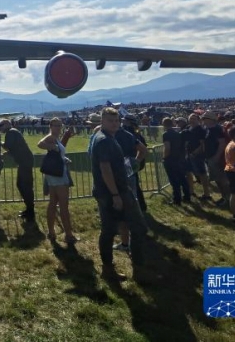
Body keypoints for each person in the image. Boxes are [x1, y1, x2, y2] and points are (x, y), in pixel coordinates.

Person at [90, 108, 149, 282]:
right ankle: (129, 269)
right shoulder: (103, 141)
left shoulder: (108, 137)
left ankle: (117, 269)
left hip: (116, 190)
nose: (114, 124)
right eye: (110, 121)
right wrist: (116, 194)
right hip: (113, 193)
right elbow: (105, 169)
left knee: (112, 230)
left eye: (116, 121)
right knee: (133, 228)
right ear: (102, 121)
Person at [38, 118, 77, 245]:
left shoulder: (56, 138)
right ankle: (69, 235)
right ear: (50, 126)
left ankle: (51, 232)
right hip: (58, 175)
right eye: (56, 125)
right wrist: (52, 147)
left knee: (53, 203)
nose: (58, 128)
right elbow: (40, 144)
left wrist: (64, 157)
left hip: (55, 174)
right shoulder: (50, 137)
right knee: (64, 205)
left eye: (60, 125)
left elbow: (59, 151)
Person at [0, 119, 35, 221]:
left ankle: (30, 211)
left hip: (25, 162)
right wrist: (7, 154)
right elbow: (14, 149)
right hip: (25, 161)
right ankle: (29, 209)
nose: (0, 127)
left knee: (24, 185)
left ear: (6, 124)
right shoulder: (13, 132)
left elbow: (7, 146)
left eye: (1, 125)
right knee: (23, 185)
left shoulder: (11, 132)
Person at [202, 111, 230, 207]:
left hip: (216, 157)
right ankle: (224, 197)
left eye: (205, 118)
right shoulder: (207, 128)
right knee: (217, 179)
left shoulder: (217, 129)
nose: (203, 120)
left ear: (211, 120)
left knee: (222, 179)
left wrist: (217, 156)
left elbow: (222, 143)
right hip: (210, 157)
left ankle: (227, 198)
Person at [161, 118, 190, 205]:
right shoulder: (178, 134)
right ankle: (187, 196)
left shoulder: (166, 134)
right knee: (182, 178)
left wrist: (164, 157)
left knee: (174, 180)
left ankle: (177, 199)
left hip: (170, 159)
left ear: (164, 125)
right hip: (179, 159)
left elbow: (167, 148)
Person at [182, 113, 211, 201]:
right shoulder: (189, 128)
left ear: (198, 120)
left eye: (194, 119)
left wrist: (195, 153)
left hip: (197, 156)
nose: (192, 120)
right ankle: (191, 191)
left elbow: (202, 144)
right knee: (188, 173)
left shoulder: (200, 129)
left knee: (202, 174)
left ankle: (207, 194)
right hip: (188, 155)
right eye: (190, 119)